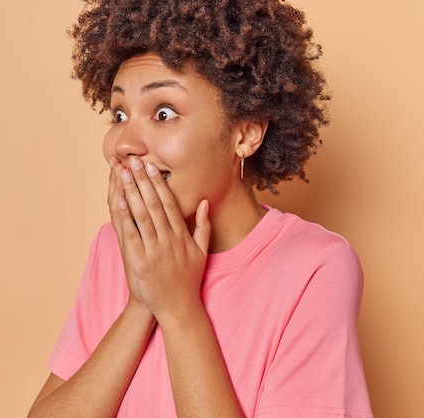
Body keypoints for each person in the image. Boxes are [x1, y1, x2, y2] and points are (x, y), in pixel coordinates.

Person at [29, 0, 373, 416]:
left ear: (245, 134)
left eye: (163, 112)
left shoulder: (315, 268)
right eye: (119, 113)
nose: (122, 144)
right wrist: (142, 302)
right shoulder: (116, 247)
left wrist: (177, 308)